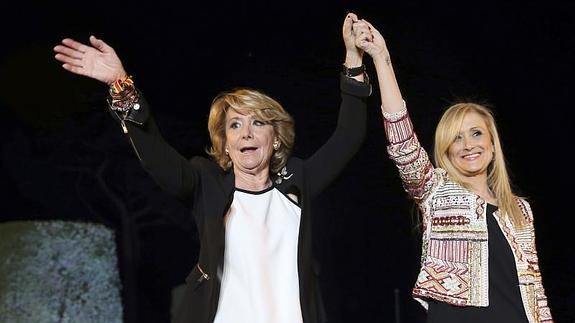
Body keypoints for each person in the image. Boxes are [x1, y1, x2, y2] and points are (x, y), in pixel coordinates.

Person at [53, 13, 371, 323]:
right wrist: (122, 87)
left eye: (257, 122)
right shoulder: (207, 183)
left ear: (275, 139)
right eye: (234, 125)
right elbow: (155, 156)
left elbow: (348, 137)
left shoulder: (298, 181)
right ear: (225, 143)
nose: (245, 133)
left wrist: (354, 61)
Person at [351, 18, 554, 323]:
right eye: (456, 138)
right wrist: (382, 58)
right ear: (446, 150)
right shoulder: (436, 190)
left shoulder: (521, 211)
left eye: (476, 133)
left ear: (493, 144)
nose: (468, 145)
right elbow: (403, 141)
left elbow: (536, 293)